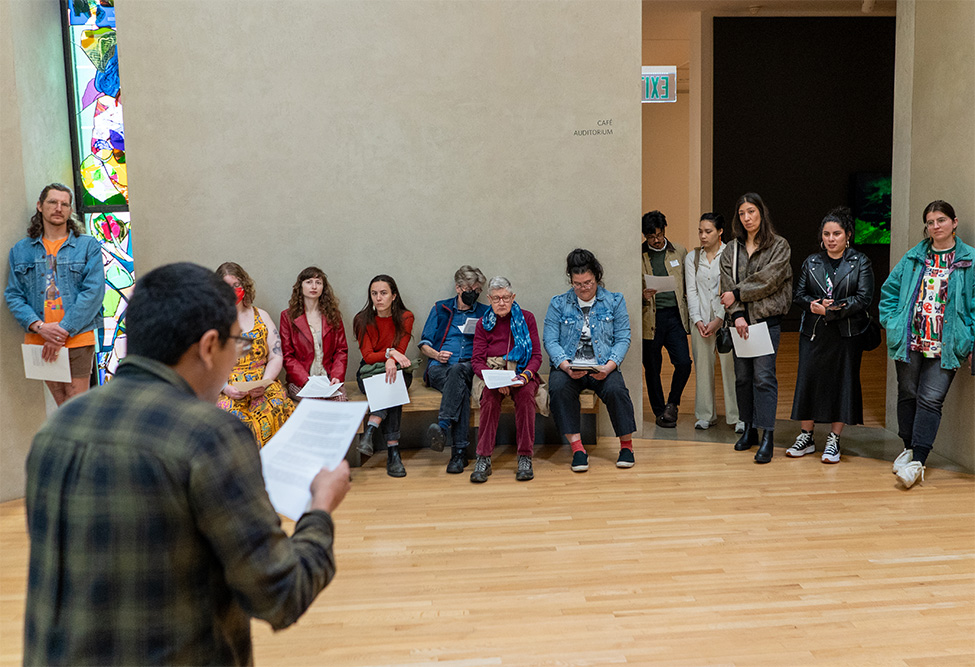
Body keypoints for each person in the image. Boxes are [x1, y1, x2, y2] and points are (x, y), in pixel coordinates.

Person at [23, 262, 351, 665]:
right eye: (238, 345)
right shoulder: (209, 435)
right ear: (209, 345)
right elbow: (280, 595)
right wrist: (320, 506)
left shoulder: (57, 429)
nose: (239, 357)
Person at [879, 200, 974, 489]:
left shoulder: (969, 259)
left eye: (941, 220)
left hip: (947, 345)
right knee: (908, 393)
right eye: (931, 222)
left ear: (954, 222)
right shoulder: (914, 257)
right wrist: (892, 322)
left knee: (931, 399)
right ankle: (908, 448)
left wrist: (970, 337)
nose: (936, 226)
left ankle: (918, 459)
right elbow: (889, 291)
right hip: (911, 340)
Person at [787, 207, 874, 464]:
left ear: (848, 235)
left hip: (846, 334)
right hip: (813, 332)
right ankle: (806, 435)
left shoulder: (860, 262)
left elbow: (864, 298)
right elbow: (798, 294)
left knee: (843, 383)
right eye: (826, 234)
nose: (831, 238)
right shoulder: (812, 261)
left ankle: (834, 439)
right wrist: (814, 304)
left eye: (837, 233)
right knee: (808, 380)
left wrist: (832, 309)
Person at [5, 183, 105, 406]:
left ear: (70, 211)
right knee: (62, 406)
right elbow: (14, 295)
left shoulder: (88, 246)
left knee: (76, 406)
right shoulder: (21, 250)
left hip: (77, 336)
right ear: (40, 206)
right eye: (52, 202)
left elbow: (93, 292)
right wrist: (41, 328)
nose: (58, 208)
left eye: (65, 204)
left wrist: (60, 331)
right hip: (40, 338)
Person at [544, 248, 638, 472]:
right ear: (571, 280)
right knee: (557, 387)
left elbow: (623, 337)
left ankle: (627, 447)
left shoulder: (614, 301)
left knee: (617, 390)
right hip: (569, 365)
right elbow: (550, 340)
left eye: (588, 283)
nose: (583, 288)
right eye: (577, 284)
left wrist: (609, 366)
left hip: (603, 364)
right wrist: (565, 367)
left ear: (597, 277)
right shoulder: (559, 303)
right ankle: (577, 448)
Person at [719, 193, 793, 464]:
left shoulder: (779, 246)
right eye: (742, 213)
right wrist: (737, 314)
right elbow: (725, 286)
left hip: (766, 323)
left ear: (761, 213)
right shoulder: (731, 249)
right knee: (743, 379)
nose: (747, 218)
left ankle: (767, 436)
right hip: (740, 324)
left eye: (751, 211)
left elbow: (769, 281)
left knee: (764, 378)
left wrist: (738, 293)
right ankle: (748, 428)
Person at [418, 265, 489, 474]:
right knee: (460, 388)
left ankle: (444, 427)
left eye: (477, 290)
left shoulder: (485, 312)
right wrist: (436, 355)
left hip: (470, 366)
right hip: (440, 367)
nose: (474, 294)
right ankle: (458, 453)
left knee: (459, 372)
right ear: (459, 288)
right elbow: (424, 343)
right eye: (470, 289)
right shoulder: (441, 309)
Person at [470, 276, 542, 483]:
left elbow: (536, 356)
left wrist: (524, 376)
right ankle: (483, 457)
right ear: (489, 299)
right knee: (489, 399)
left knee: (527, 395)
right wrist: (496, 381)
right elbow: (477, 360)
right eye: (496, 298)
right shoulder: (484, 323)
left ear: (513, 297)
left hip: (521, 372)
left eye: (505, 297)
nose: (501, 303)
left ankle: (525, 456)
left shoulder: (526, 318)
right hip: (494, 375)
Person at [215, 261, 295, 446]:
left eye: (237, 285)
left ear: (245, 285)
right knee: (232, 419)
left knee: (274, 408)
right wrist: (226, 388)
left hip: (263, 383)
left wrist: (265, 383)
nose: (233, 290)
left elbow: (276, 355)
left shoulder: (262, 316)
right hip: (228, 387)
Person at [684, 212, 742, 432]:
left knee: (731, 370)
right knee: (703, 367)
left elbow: (729, 287)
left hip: (725, 321)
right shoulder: (693, 257)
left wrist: (718, 318)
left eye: (708, 231)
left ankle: (737, 417)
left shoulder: (730, 253)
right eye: (700, 231)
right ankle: (705, 415)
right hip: (700, 322)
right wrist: (698, 320)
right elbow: (691, 291)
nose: (703, 236)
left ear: (720, 232)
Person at [353, 274, 415, 477]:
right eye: (374, 293)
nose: (378, 298)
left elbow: (402, 350)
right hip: (370, 373)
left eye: (383, 293)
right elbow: (369, 356)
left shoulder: (406, 317)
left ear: (394, 296)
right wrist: (390, 353)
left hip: (397, 371)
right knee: (392, 389)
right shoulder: (361, 320)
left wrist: (392, 358)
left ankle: (371, 427)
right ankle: (393, 451)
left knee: (393, 383)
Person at [641, 210, 692, 428]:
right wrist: (641, 296)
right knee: (652, 367)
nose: (656, 240)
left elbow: (689, 285)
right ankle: (660, 411)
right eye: (651, 236)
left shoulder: (679, 252)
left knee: (684, 363)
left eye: (659, 235)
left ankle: (672, 403)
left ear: (664, 231)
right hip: (649, 318)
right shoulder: (639, 256)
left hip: (674, 317)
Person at [279, 266, 349, 401]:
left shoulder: (333, 315)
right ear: (300, 286)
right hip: (302, 381)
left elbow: (341, 351)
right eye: (309, 282)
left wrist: (336, 377)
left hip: (328, 379)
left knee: (340, 402)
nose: (314, 286)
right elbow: (287, 356)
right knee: (316, 403)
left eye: (318, 282)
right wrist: (305, 380)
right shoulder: (287, 317)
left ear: (323, 288)